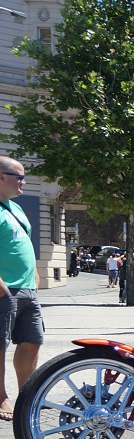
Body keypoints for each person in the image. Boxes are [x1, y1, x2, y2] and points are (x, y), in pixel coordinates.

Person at [0, 156, 43, 423]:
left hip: (27, 289)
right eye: (20, 177)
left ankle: (27, 398)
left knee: (32, 341)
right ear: (1, 177)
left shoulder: (15, 208)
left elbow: (24, 243)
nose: (23, 182)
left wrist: (35, 276)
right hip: (5, 289)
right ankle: (0, 397)